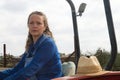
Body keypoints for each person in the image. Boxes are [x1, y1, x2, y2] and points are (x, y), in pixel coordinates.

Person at [0, 11, 62, 80]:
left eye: (38, 23)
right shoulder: (30, 47)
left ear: (44, 27)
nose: (34, 26)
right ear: (28, 26)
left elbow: (30, 69)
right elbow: (17, 69)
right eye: (31, 23)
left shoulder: (48, 44)